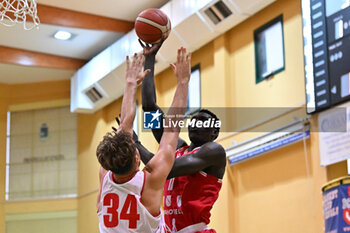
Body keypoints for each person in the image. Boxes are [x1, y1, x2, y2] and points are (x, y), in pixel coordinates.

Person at [96, 48, 192, 233]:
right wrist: (183, 81)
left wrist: (131, 84)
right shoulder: (148, 182)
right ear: (137, 158)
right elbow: (170, 132)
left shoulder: (105, 177)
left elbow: (125, 126)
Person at [135, 40, 227, 233]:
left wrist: (136, 144)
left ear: (214, 133)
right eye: (194, 119)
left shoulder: (213, 151)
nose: (196, 123)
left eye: (203, 121)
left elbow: (164, 170)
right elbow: (149, 108)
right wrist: (149, 58)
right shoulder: (178, 148)